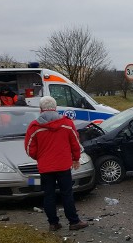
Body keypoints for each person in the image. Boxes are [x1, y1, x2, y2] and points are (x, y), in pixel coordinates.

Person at [24, 96, 88, 232]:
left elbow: (29, 148)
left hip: (45, 167)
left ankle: (53, 223)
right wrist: (75, 158)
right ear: (55, 108)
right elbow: (75, 143)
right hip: (63, 165)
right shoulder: (67, 124)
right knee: (67, 193)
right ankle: (73, 222)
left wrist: (40, 157)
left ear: (40, 109)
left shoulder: (34, 126)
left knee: (49, 194)